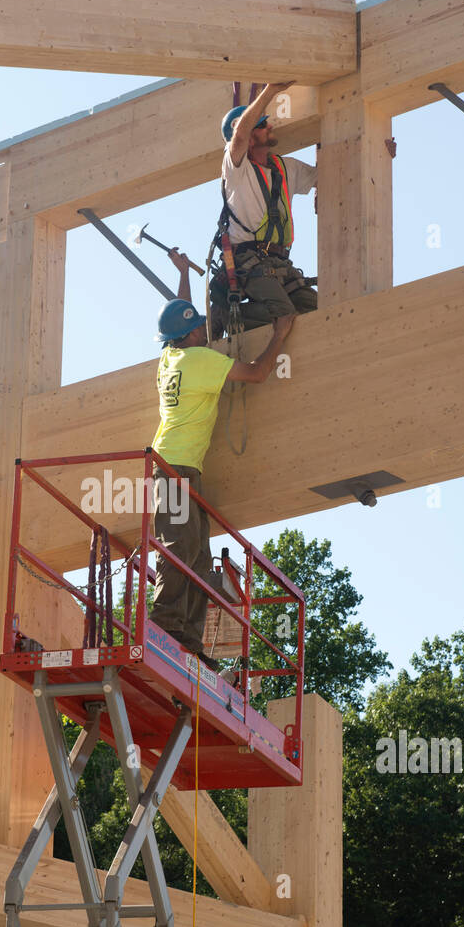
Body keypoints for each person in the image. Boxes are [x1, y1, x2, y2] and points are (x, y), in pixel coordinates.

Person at [148, 249, 294, 666]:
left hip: (176, 468)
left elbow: (181, 317)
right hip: (172, 469)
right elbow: (256, 373)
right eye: (198, 328)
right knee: (178, 549)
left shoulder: (170, 359)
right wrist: (279, 334)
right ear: (191, 334)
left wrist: (182, 276)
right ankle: (162, 627)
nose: (204, 331)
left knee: (196, 558)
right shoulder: (199, 360)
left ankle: (188, 641)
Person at [210, 80, 318, 340]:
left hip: (280, 263)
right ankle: (230, 317)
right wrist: (270, 91)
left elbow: (330, 173)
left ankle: (249, 317)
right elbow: (239, 136)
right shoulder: (236, 171)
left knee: (317, 309)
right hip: (250, 264)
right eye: (261, 124)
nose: (270, 125)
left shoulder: (286, 169)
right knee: (284, 313)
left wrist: (382, 153)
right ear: (247, 138)